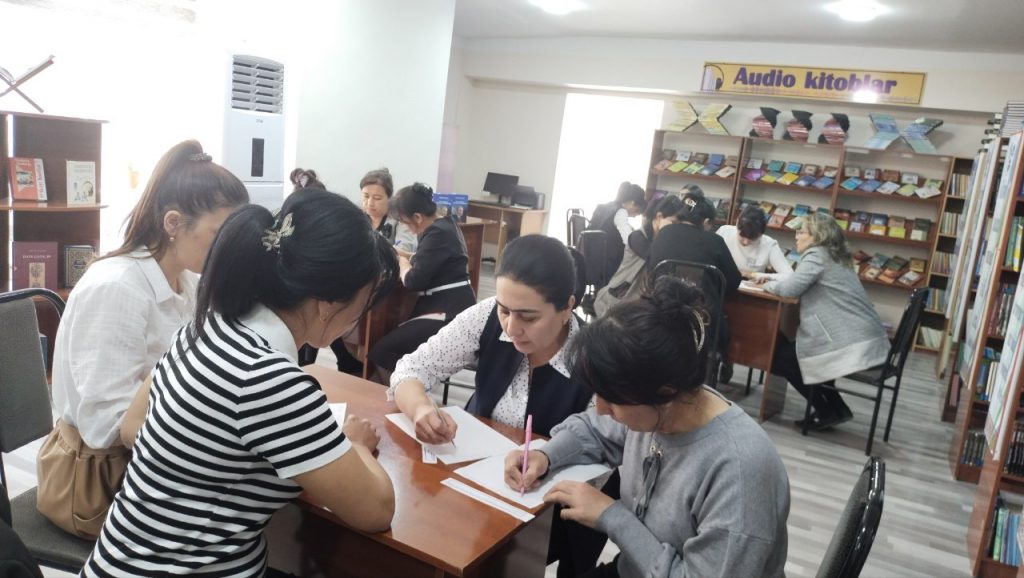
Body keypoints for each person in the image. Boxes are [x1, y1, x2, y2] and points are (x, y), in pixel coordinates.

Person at [83, 189, 399, 577]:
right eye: (363, 302)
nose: (358, 318)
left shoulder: (205, 328)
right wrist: (355, 444)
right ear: (329, 302)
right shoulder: (272, 382)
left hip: (115, 562)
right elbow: (376, 510)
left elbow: (133, 428)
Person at [506, 276, 790, 578]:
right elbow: (594, 429)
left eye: (611, 400)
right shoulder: (659, 407)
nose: (600, 408)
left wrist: (612, 517)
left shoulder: (741, 472)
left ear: (665, 392)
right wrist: (546, 456)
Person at [38, 140, 249, 539]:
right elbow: (106, 425)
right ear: (173, 223)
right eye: (220, 234)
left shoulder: (187, 281)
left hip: (148, 461)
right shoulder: (118, 288)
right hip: (101, 482)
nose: (229, 248)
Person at [390, 234, 609, 577]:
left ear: (567, 306)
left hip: (543, 509)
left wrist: (547, 459)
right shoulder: (488, 316)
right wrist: (420, 409)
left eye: (528, 317)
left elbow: (604, 450)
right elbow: (411, 369)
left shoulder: (594, 361)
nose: (511, 327)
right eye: (505, 310)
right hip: (472, 485)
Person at [758, 213, 889, 430]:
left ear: (817, 237)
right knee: (797, 353)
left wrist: (766, 284)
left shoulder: (816, 255)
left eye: (801, 232)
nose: (796, 236)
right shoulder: (835, 256)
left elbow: (790, 289)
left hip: (849, 342)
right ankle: (837, 409)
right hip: (865, 339)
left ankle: (827, 410)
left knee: (782, 358)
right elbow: (798, 283)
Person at [367, 182, 476, 383]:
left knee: (382, 351)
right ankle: (383, 394)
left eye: (405, 222)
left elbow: (413, 280)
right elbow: (427, 259)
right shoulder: (446, 225)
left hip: (448, 312)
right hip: (452, 306)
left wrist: (402, 263)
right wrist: (403, 254)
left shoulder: (436, 233)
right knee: (383, 357)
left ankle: (403, 394)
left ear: (417, 217)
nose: (408, 228)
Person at [649, 187, 741, 384]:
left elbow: (652, 273)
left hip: (661, 310)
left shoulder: (663, 234)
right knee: (723, 322)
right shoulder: (715, 241)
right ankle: (712, 371)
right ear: (706, 222)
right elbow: (733, 282)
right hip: (702, 318)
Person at [594, 194, 683, 317]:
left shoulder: (658, 239)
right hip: (615, 302)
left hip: (636, 303)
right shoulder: (637, 237)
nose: (676, 228)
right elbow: (656, 260)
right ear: (659, 216)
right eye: (673, 222)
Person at [587, 182, 646, 282]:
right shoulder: (621, 212)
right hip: (607, 263)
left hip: (593, 257)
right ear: (633, 203)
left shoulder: (606, 206)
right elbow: (628, 240)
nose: (636, 215)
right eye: (637, 210)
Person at [717, 205, 793, 279]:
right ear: (737, 223)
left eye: (752, 239)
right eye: (742, 236)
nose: (746, 242)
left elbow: (789, 276)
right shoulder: (724, 232)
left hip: (748, 285)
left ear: (762, 234)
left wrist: (753, 275)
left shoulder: (769, 245)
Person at [360, 167, 417, 254]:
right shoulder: (356, 215)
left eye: (377, 198)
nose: (370, 203)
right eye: (366, 196)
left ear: (389, 198)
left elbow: (404, 249)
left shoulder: (401, 218)